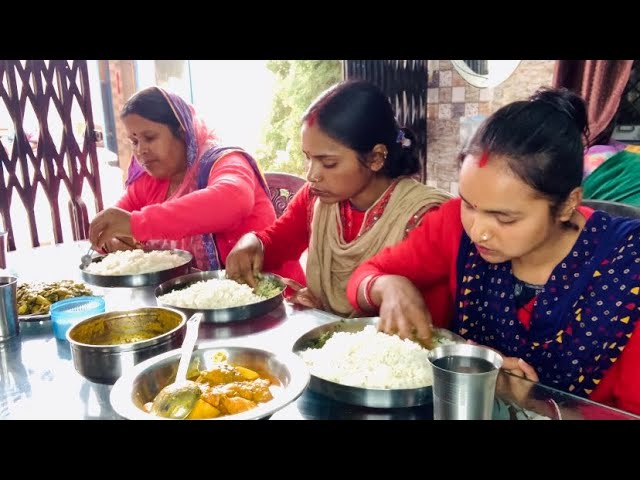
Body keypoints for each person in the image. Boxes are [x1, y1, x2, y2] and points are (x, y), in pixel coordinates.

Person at [347, 87, 640, 415]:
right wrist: (389, 286)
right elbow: (363, 277)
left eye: (504, 218)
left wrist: (531, 404)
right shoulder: (452, 224)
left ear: (567, 204)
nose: (479, 231)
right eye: (470, 205)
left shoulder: (628, 266)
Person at [225, 80, 452, 319]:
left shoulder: (424, 217)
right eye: (308, 158)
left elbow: (430, 320)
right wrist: (253, 243)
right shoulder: (316, 200)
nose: (311, 175)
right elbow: (277, 243)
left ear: (376, 158)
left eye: (328, 163)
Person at [87, 86, 304, 281]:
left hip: (267, 295)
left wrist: (138, 223)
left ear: (182, 132)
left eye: (150, 138)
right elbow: (114, 222)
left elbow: (232, 201)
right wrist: (112, 241)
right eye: (134, 141)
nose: (141, 150)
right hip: (195, 304)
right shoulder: (150, 180)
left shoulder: (224, 161)